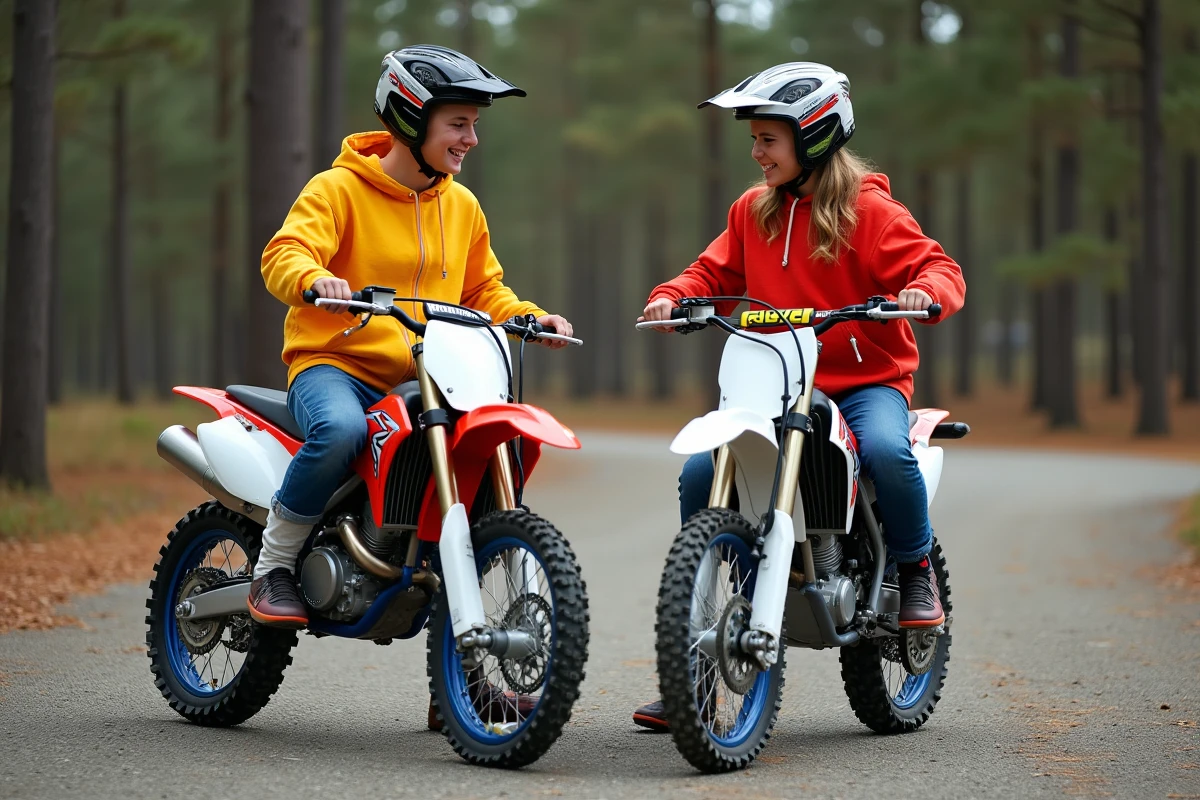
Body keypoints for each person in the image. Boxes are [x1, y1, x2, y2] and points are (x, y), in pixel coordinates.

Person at [631, 62, 966, 731]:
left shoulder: (870, 211)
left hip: (865, 381)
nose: (756, 153)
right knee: (703, 470)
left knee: (886, 451)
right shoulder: (751, 211)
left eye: (767, 140)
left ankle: (915, 568)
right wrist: (674, 296)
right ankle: (695, 653)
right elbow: (713, 272)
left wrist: (925, 293)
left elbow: (939, 267)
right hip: (774, 382)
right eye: (754, 140)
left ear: (814, 136)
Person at [249, 45, 573, 629]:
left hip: (428, 373)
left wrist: (530, 316)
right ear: (409, 117)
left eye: (474, 125)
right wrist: (314, 278)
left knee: (498, 441)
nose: (471, 139)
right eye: (458, 124)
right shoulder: (337, 191)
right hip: (334, 364)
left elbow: (483, 292)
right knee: (340, 430)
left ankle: (459, 639)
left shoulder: (464, 206)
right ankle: (272, 566)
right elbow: (284, 253)